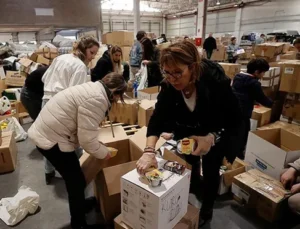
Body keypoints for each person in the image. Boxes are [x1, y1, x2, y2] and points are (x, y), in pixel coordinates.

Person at [136, 41, 243, 227]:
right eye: (166, 72)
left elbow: (235, 119)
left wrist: (211, 137)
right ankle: (192, 187)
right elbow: (157, 119)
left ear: (192, 67)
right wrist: (148, 151)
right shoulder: (169, 86)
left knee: (211, 170)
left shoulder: (215, 82)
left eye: (178, 72)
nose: (172, 78)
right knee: (189, 160)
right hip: (187, 131)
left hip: (214, 131)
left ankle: (207, 210)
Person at [28, 73, 127, 229]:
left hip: (48, 132)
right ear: (115, 92)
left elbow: (84, 129)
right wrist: (104, 152)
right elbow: (87, 140)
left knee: (76, 178)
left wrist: (97, 143)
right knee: (75, 181)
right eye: (118, 97)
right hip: (52, 140)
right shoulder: (98, 98)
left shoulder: (94, 88)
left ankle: (80, 206)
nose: (116, 101)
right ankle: (78, 224)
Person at [42, 36, 100, 185]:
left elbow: (44, 78)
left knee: (49, 142)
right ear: (83, 49)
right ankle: (80, 173)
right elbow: (75, 96)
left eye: (95, 54)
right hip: (61, 108)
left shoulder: (61, 58)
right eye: (91, 53)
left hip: (46, 102)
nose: (92, 57)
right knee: (73, 143)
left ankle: (48, 172)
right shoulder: (80, 66)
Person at [232, 58, 273, 159]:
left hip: (232, 110)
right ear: (257, 72)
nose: (263, 75)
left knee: (233, 132)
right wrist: (273, 104)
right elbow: (262, 99)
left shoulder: (238, 77)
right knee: (244, 135)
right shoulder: (254, 83)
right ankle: (238, 156)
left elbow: (241, 93)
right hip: (243, 113)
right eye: (263, 73)